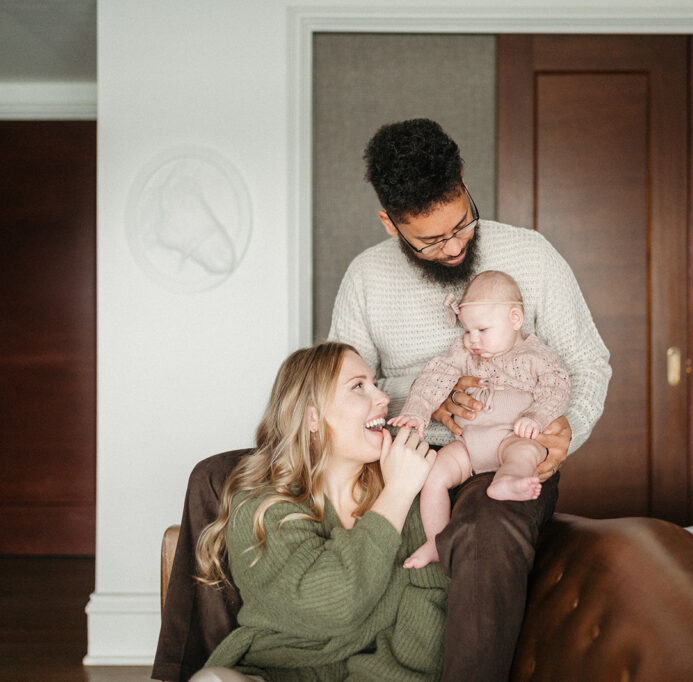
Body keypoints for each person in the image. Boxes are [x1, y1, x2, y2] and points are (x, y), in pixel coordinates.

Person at [328, 118, 611, 681]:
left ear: (462, 180)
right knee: (217, 478)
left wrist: (557, 435)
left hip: (507, 450)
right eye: (430, 240)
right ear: (390, 223)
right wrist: (422, 404)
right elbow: (342, 388)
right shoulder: (365, 278)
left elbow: (586, 364)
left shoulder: (532, 255)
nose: (454, 246)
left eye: (461, 224)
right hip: (399, 453)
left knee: (488, 530)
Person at [188, 342, 448, 682]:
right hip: (273, 672)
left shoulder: (406, 491)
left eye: (375, 384)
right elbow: (332, 607)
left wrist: (400, 491)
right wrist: (397, 494)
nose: (383, 398)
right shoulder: (261, 508)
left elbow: (429, 603)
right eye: (358, 387)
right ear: (313, 416)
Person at [391, 270, 571, 569]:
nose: (473, 340)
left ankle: (509, 481)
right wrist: (417, 410)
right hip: (468, 444)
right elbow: (434, 377)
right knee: (434, 473)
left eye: (482, 330)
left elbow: (557, 386)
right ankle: (435, 540)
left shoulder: (533, 354)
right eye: (467, 331)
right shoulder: (465, 352)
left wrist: (536, 416)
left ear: (515, 319)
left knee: (524, 453)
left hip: (513, 435)